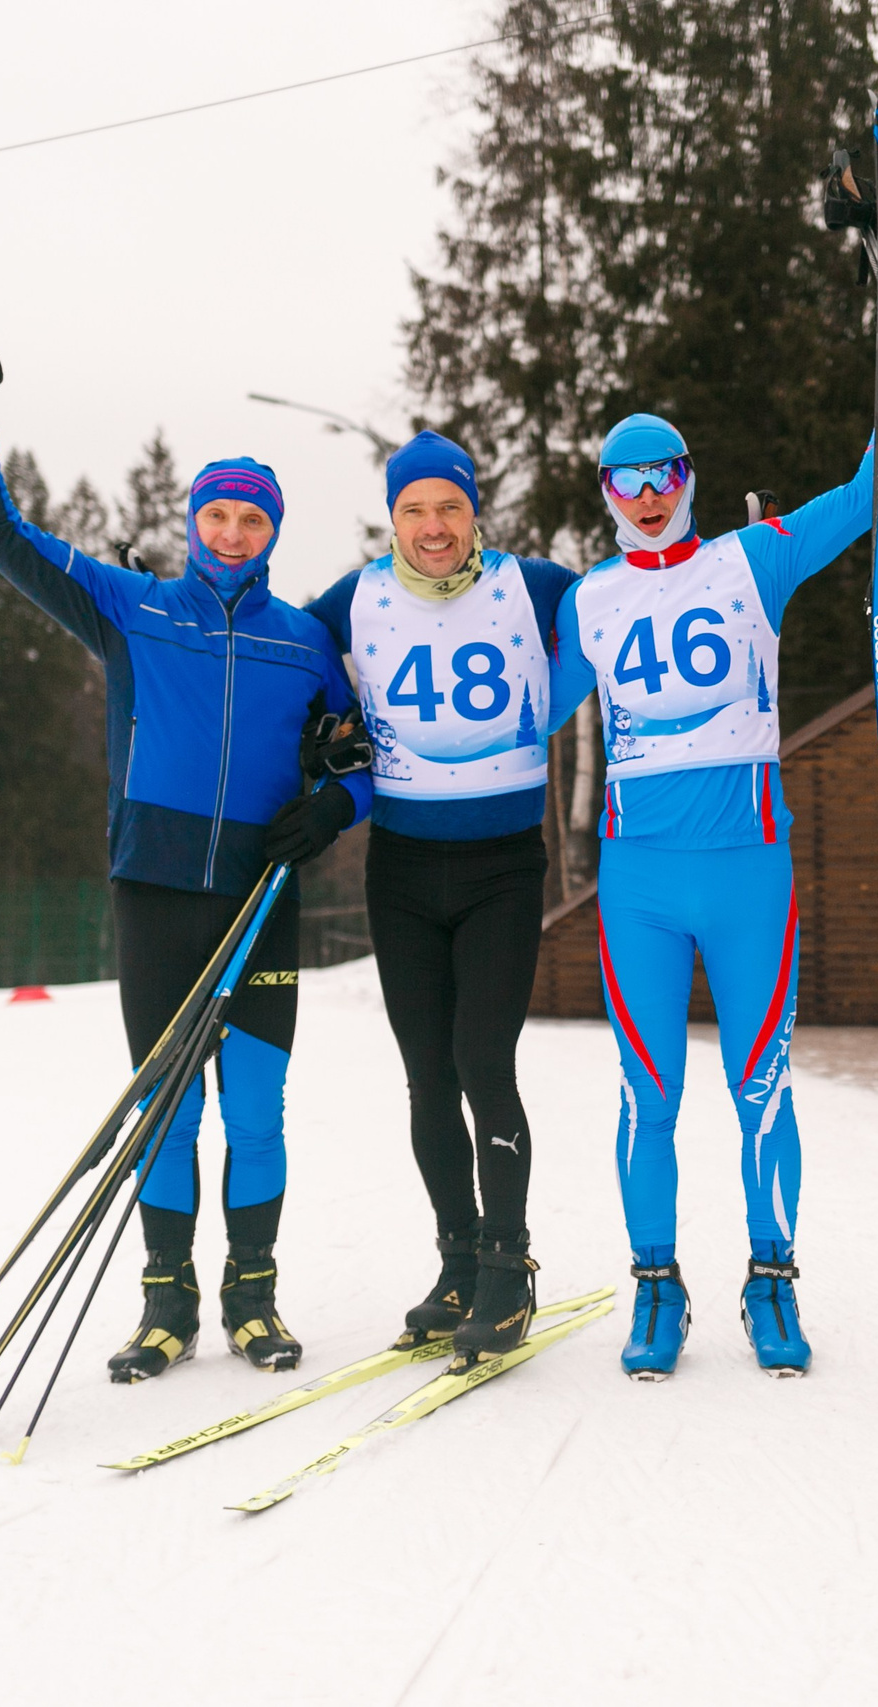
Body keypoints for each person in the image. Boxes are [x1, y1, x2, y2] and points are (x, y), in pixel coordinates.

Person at [0, 345, 372, 1384]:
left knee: (256, 1110)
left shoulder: (306, 641)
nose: (233, 534)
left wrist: (334, 805)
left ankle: (253, 1299)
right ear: (193, 525)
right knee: (164, 1110)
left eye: (252, 520)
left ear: (272, 532)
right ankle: (165, 1302)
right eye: (217, 516)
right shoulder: (132, 608)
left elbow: (373, 760)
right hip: (157, 899)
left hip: (261, 903)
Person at [548, 410, 878, 1379]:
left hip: (749, 872)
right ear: (608, 496)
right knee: (647, 1091)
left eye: (664, 474)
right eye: (628, 481)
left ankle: (771, 1279)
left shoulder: (753, 561)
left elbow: (869, 499)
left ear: (690, 478)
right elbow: (519, 709)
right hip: (641, 885)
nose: (650, 495)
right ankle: (656, 1283)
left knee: (763, 1086)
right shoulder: (590, 601)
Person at [307, 433, 577, 1369]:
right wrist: (325, 739)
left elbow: (621, 613)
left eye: (449, 507)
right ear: (394, 519)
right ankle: (458, 1260)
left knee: (482, 1059)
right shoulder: (354, 598)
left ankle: (509, 1268)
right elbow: (281, 659)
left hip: (502, 863)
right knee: (428, 1072)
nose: (432, 527)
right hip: (404, 867)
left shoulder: (533, 582)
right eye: (414, 510)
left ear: (475, 513)